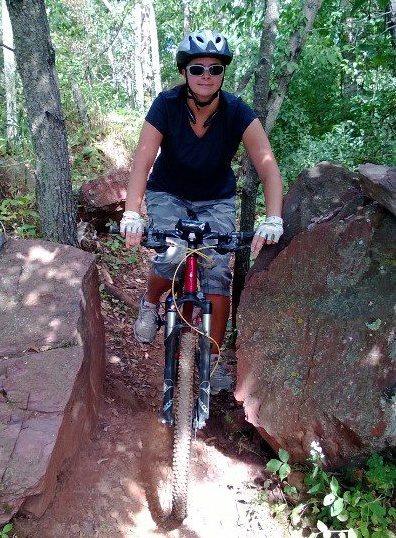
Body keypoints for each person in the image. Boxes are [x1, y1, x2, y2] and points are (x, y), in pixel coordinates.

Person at [120, 29, 284, 393]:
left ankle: (214, 358)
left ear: (223, 73)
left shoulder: (237, 111)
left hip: (216, 199)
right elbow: (143, 159)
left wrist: (273, 217)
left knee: (216, 275)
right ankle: (150, 303)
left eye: (215, 68)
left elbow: (268, 166)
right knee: (171, 253)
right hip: (168, 193)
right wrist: (133, 212)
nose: (206, 75)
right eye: (197, 68)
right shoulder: (166, 105)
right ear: (185, 72)